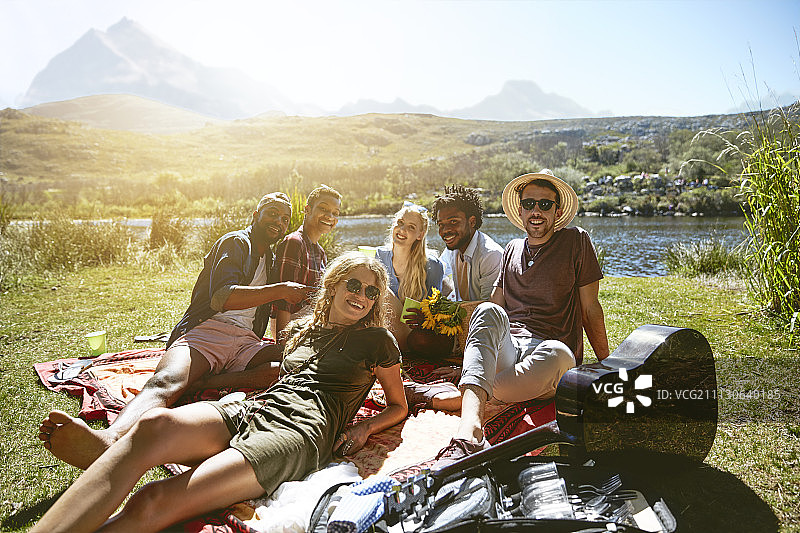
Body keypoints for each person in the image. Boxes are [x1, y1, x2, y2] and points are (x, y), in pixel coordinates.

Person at [31, 252, 408, 533]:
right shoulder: (302, 331)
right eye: (354, 285)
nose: (362, 296)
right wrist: (216, 389)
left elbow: (397, 405)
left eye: (372, 292)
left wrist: (365, 428)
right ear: (334, 285)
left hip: (298, 434)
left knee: (155, 499)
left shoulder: (377, 340)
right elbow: (280, 376)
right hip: (257, 410)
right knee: (153, 426)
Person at [38, 193, 314, 470]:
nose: (278, 221)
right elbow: (222, 298)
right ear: (256, 216)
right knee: (166, 382)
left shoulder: (273, 256)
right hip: (208, 331)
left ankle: (204, 382)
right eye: (272, 214)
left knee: (287, 366)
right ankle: (107, 441)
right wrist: (280, 290)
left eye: (284, 218)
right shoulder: (236, 242)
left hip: (247, 342)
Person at [434, 169, 610, 468]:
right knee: (486, 311)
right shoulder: (512, 249)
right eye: (529, 204)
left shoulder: (575, 241)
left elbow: (590, 308)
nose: (536, 211)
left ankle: (467, 393)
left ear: (558, 209)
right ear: (520, 209)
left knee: (556, 354)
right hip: (511, 351)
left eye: (545, 204)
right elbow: (494, 310)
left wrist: (609, 366)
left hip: (549, 354)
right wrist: (476, 355)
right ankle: (470, 430)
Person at [270, 184, 342, 340]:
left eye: (335, 213)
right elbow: (284, 301)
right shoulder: (295, 243)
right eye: (323, 209)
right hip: (292, 331)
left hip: (310, 326)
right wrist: (283, 348)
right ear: (307, 209)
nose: (330, 216)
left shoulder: (321, 253)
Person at [375, 202, 445, 352]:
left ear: (420, 235)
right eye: (400, 223)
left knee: (384, 290)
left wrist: (424, 318)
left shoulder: (432, 266)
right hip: (384, 328)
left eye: (411, 227)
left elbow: (436, 315)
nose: (402, 230)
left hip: (413, 336)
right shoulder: (380, 255)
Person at [432, 185, 503, 301]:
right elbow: (441, 281)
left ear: (472, 222)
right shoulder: (452, 250)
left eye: (453, 221)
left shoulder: (490, 256)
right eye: (441, 224)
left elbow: (489, 309)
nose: (445, 230)